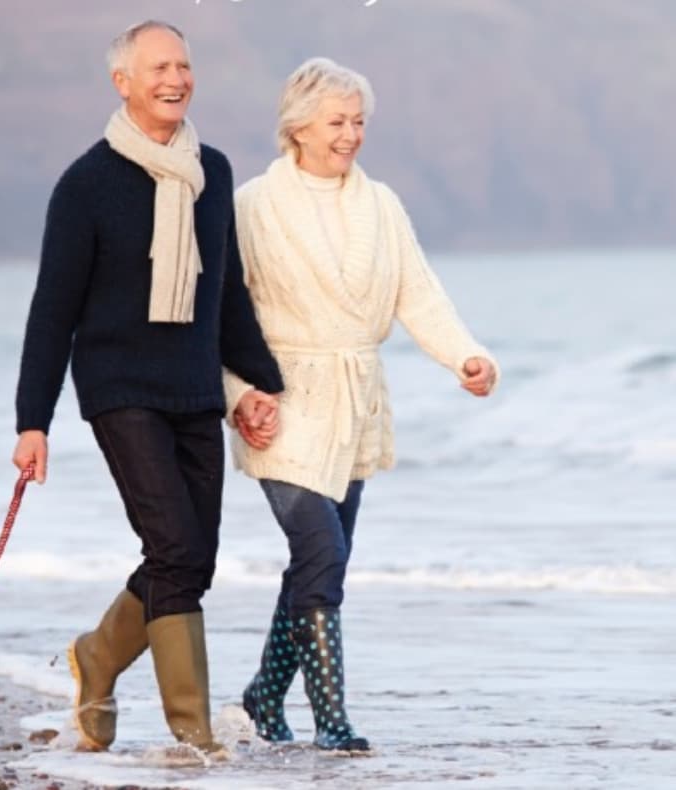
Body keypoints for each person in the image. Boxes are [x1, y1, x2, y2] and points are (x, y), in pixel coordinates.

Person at [12, 20, 283, 754]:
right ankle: (193, 732)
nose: (176, 78)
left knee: (191, 558)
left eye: (185, 65)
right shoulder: (86, 184)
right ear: (122, 81)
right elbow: (53, 308)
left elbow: (224, 295)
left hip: (194, 388)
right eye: (159, 66)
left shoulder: (213, 172)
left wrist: (263, 384)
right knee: (172, 544)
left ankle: (96, 657)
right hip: (119, 389)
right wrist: (32, 421)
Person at [225, 57, 499, 753]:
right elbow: (226, 312)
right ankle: (332, 720)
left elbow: (419, 292)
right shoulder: (255, 204)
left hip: (355, 401)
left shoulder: (381, 204)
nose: (351, 135)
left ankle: (261, 698)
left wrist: (464, 356)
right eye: (337, 122)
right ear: (299, 126)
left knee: (323, 560)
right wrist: (238, 395)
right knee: (320, 548)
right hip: (280, 401)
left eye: (359, 122)